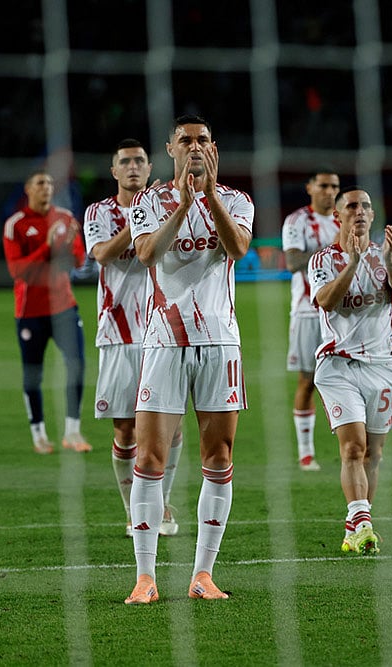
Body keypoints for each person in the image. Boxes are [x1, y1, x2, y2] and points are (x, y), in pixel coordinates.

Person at [123, 115, 253, 604]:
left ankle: (203, 574)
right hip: (164, 342)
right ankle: (145, 577)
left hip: (220, 343)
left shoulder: (237, 200)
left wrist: (210, 194)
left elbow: (238, 247)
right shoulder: (148, 202)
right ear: (170, 148)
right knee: (149, 457)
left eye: (202, 140)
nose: (194, 147)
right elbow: (147, 254)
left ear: (213, 148)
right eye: (186, 141)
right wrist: (181, 204)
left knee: (218, 458)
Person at [307, 187, 392, 555]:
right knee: (352, 447)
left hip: (383, 366)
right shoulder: (323, 259)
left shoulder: (388, 254)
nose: (361, 211)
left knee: (374, 453)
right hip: (338, 365)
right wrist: (352, 264)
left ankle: (357, 523)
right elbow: (325, 300)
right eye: (352, 205)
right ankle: (363, 521)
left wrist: (387, 261)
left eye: (367, 205)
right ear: (338, 215)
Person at [83, 138, 181, 538]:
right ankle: (131, 510)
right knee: (125, 429)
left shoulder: (166, 206)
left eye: (140, 160)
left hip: (165, 329)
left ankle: (160, 507)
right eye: (125, 161)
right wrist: (138, 220)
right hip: (119, 332)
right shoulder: (99, 212)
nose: (134, 167)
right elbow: (103, 254)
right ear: (114, 171)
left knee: (170, 427)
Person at [3, 169, 91, 455]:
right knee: (33, 375)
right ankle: (39, 434)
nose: (47, 188)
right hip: (30, 311)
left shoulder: (65, 218)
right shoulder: (15, 225)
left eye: (51, 183)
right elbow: (18, 271)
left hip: (64, 307)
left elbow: (78, 262)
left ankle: (72, 432)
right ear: (28, 188)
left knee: (77, 366)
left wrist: (68, 247)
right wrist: (47, 247)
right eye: (41, 183)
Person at [281, 168, 341, 471]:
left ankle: (353, 445)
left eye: (334, 186)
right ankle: (306, 452)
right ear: (310, 188)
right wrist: (334, 252)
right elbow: (292, 262)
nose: (329, 191)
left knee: (351, 379)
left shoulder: (346, 219)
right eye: (323, 185)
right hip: (307, 312)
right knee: (308, 382)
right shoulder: (297, 221)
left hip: (344, 315)